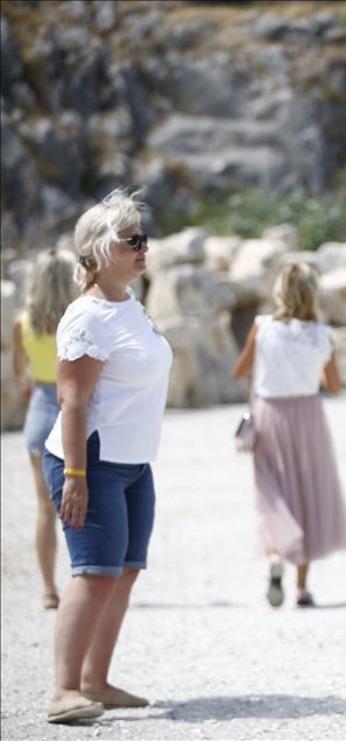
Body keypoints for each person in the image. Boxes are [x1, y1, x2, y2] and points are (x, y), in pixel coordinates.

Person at [41, 189, 172, 724]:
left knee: (124, 571)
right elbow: (72, 402)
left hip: (134, 462)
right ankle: (64, 690)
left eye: (144, 238)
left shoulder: (130, 306)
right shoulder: (87, 318)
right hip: (90, 462)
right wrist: (75, 475)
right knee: (94, 572)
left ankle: (96, 679)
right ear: (98, 251)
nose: (144, 248)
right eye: (131, 240)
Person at [231, 262, 346, 608]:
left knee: (272, 492)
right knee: (308, 493)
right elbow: (334, 386)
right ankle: (301, 588)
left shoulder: (262, 328)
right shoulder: (321, 334)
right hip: (308, 416)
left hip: (269, 414)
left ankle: (274, 558)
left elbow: (239, 370)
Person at [12, 249, 79, 610]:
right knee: (82, 500)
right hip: (75, 410)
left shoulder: (23, 323)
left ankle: (48, 590)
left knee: (44, 509)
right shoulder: (75, 319)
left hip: (40, 409)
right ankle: (83, 582)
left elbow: (19, 375)